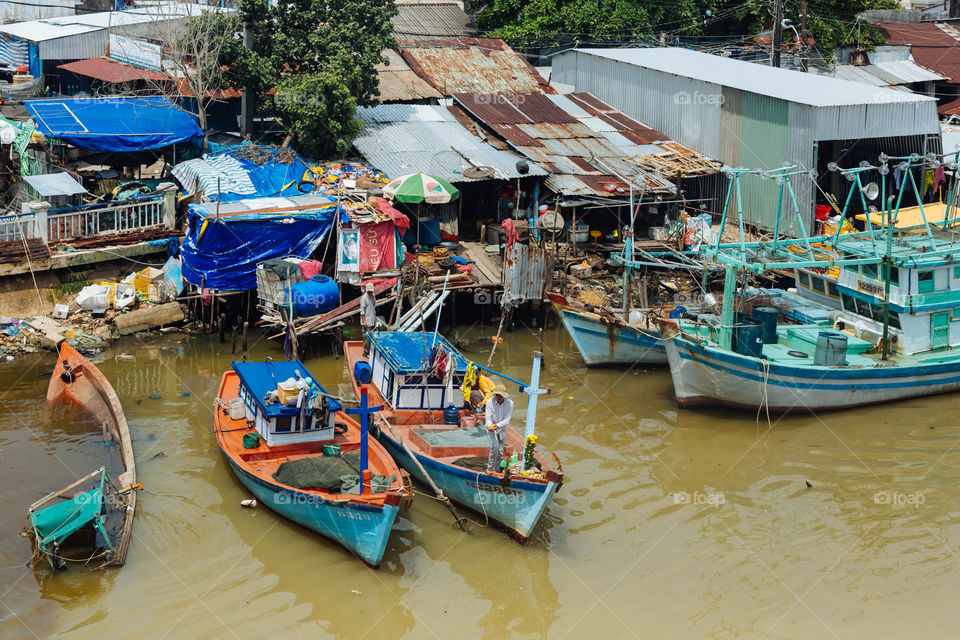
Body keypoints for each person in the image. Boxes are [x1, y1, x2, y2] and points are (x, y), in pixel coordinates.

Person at [485, 384, 513, 473]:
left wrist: (498, 425)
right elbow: (488, 418)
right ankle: (490, 467)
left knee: (500, 450)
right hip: (491, 427)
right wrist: (490, 426)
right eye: (497, 395)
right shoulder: (490, 402)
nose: (498, 397)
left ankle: (496, 469)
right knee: (495, 447)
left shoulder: (510, 403)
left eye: (500, 395)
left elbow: (507, 419)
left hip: (502, 428)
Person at [360, 283, 377, 356]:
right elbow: (362, 311)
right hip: (367, 320)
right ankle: (366, 352)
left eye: (371, 291)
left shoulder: (373, 296)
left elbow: (373, 308)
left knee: (372, 335)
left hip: (372, 319)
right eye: (369, 291)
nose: (370, 292)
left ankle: (371, 350)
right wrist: (364, 321)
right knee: (366, 337)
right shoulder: (364, 298)